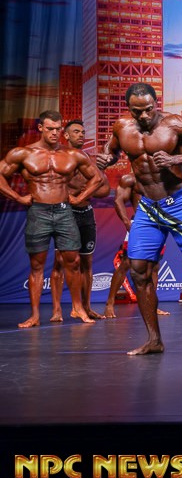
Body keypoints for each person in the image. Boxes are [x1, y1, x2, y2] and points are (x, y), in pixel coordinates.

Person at [96, 83, 182, 355]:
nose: (144, 116)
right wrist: (107, 159)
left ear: (156, 103)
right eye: (137, 111)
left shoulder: (175, 124)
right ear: (129, 109)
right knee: (138, 270)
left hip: (178, 202)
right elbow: (111, 150)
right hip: (148, 206)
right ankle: (154, 340)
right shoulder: (122, 127)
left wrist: (175, 159)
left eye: (148, 109)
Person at [0, 110, 104, 327]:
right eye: (50, 129)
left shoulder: (72, 155)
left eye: (58, 129)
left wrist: (80, 198)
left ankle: (78, 308)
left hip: (65, 212)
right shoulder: (23, 153)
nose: (55, 133)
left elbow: (97, 178)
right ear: (41, 128)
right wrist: (18, 197)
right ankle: (35, 316)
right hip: (38, 211)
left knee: (73, 262)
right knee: (37, 265)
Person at [49, 119, 111, 321]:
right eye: (76, 131)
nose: (81, 135)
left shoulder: (89, 160)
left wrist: (83, 194)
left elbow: (104, 188)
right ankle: (57, 310)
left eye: (83, 132)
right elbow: (52, 187)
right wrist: (74, 193)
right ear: (66, 135)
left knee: (86, 263)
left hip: (86, 213)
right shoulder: (58, 158)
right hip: (65, 213)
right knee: (60, 263)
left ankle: (86, 307)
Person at [104, 173, 171, 318]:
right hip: (140, 223)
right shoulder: (131, 179)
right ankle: (110, 303)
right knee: (126, 263)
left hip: (161, 225)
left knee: (154, 267)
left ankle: (152, 305)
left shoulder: (164, 178)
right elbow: (118, 200)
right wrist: (127, 222)